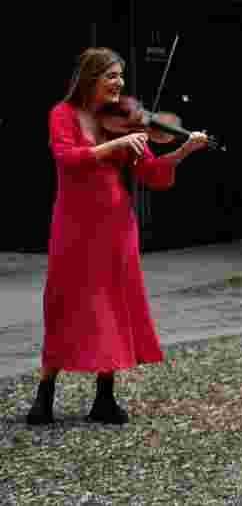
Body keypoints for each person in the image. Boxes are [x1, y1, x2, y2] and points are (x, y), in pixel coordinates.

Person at [27, 47, 209, 426]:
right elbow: (67, 158)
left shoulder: (122, 123)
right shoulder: (62, 115)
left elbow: (152, 174)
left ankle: (104, 398)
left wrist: (184, 151)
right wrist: (115, 145)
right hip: (75, 228)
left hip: (116, 228)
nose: (119, 83)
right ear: (90, 78)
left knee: (111, 305)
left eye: (120, 76)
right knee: (63, 303)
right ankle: (44, 396)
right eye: (111, 75)